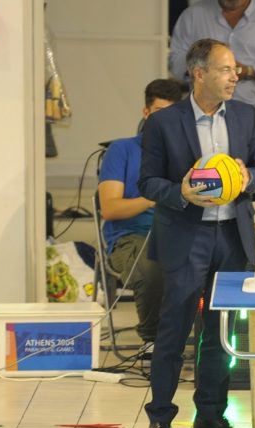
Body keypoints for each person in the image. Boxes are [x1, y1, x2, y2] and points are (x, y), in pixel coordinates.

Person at [138, 38, 255, 428]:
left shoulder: (246, 116)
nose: (235, 77)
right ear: (199, 73)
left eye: (235, 70)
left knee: (220, 334)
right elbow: (147, 182)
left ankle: (210, 417)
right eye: (226, 70)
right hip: (186, 236)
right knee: (174, 331)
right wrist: (180, 192)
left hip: (231, 236)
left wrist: (249, 178)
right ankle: (160, 419)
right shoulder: (164, 122)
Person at [97, 79, 183, 352]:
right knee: (152, 265)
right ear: (146, 113)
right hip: (130, 238)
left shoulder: (186, 154)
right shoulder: (121, 150)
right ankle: (153, 339)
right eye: (159, 113)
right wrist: (155, 197)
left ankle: (207, 339)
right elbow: (110, 208)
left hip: (177, 232)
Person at [168, 0, 255, 107]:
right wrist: (206, 67)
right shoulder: (193, 15)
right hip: (203, 110)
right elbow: (175, 60)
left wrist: (249, 71)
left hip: (254, 109)